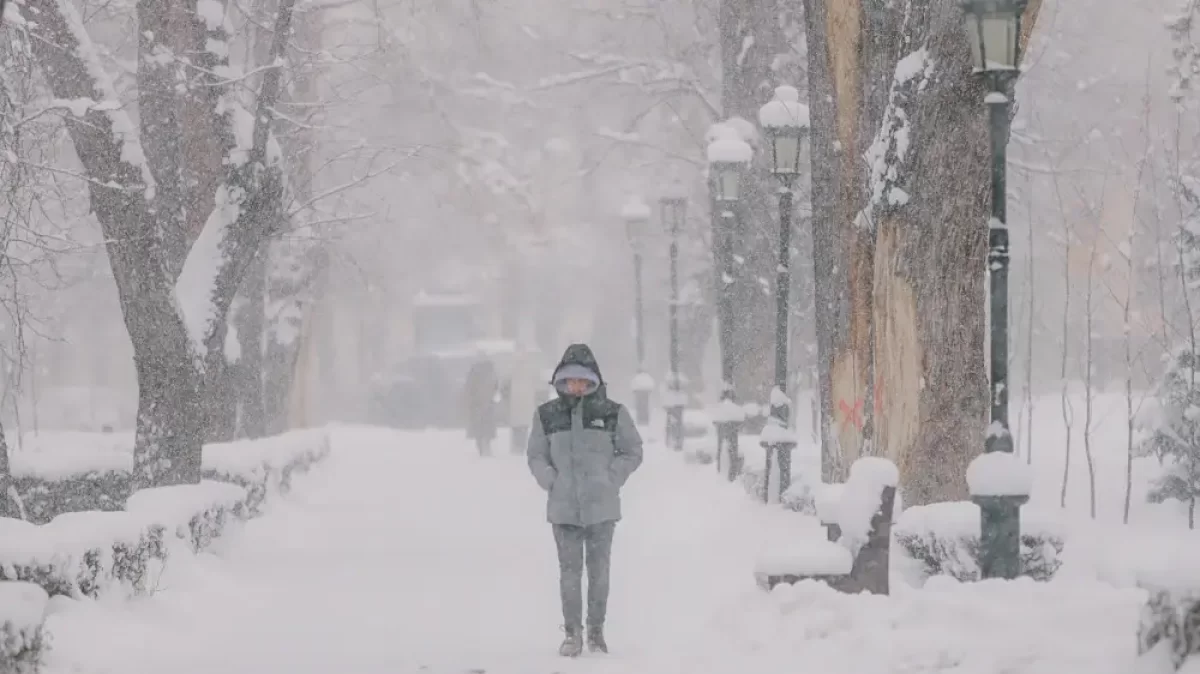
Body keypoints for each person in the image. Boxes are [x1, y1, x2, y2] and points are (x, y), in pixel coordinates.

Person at [526, 344, 643, 657]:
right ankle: (572, 633)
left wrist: (612, 477)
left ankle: (596, 631)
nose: (576, 386)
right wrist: (551, 480)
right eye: (569, 380)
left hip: (602, 508)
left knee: (599, 572)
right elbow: (536, 454)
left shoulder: (612, 413)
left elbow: (633, 450)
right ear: (561, 381)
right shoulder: (547, 415)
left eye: (582, 380)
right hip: (563, 509)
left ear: (593, 381)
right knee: (569, 573)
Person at [507, 346, 541, 454]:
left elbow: (506, 382)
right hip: (524, 399)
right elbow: (536, 382)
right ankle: (519, 446)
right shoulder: (529, 367)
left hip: (517, 399)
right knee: (522, 425)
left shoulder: (512, 366)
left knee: (518, 424)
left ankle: (517, 446)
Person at [462, 356, 499, 455]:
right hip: (482, 403)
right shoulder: (488, 370)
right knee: (484, 427)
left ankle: (483, 448)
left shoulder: (478, 371)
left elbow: (469, 388)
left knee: (482, 427)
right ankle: (484, 447)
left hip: (480, 403)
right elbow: (495, 385)